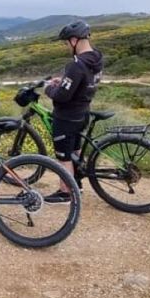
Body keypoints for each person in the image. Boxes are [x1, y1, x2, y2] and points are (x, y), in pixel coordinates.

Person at [44, 20, 103, 202]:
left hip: (67, 116)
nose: (66, 46)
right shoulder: (96, 58)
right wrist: (64, 80)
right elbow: (85, 81)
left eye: (66, 42)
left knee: (63, 156)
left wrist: (49, 88)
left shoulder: (76, 65)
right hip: (83, 112)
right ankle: (77, 185)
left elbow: (62, 96)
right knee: (75, 150)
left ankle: (66, 192)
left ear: (74, 40)